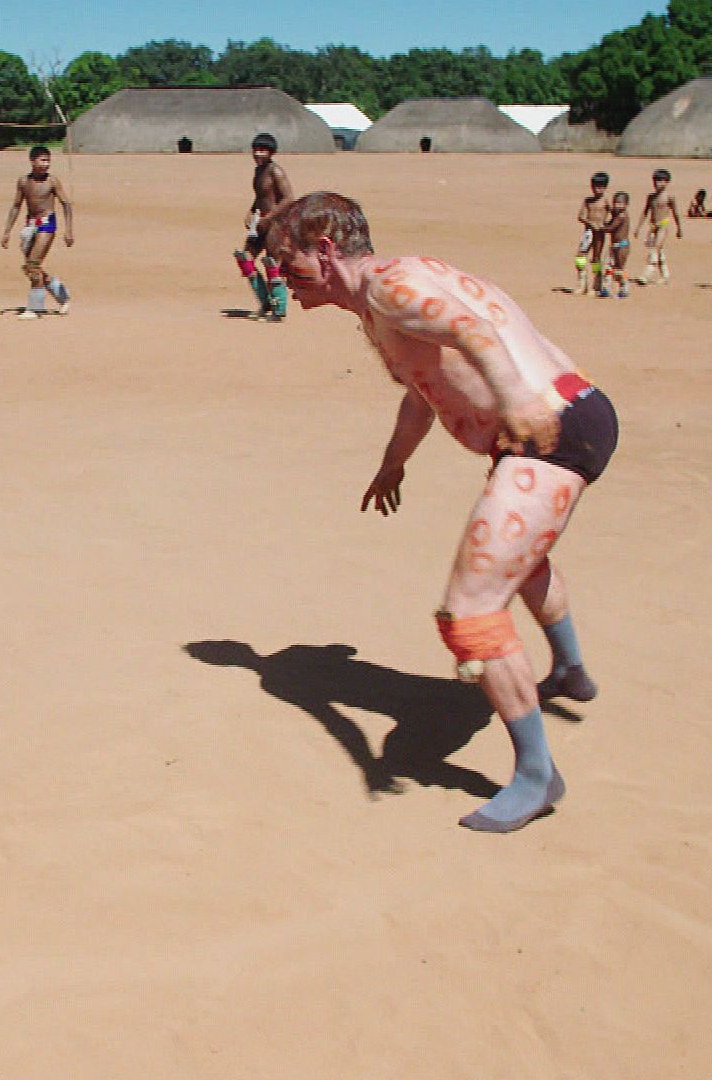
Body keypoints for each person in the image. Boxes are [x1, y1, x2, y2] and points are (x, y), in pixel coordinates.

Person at [260, 192, 619, 833]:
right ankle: (569, 671)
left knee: (470, 612)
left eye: (288, 264)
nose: (283, 278)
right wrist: (393, 463)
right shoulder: (392, 290)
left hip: (550, 430)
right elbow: (423, 393)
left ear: (325, 249)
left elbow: (474, 332)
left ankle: (537, 775)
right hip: (567, 413)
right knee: (517, 561)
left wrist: (517, 403)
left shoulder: (390, 289)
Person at [0, 145, 75, 320]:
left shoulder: (52, 181)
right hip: (30, 225)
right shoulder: (23, 182)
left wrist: (68, 230)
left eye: (48, 160)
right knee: (31, 268)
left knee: (33, 264)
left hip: (47, 225)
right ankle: (62, 295)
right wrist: (7, 231)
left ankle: (35, 308)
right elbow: (16, 206)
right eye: (42, 160)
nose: (46, 164)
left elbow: (66, 204)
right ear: (32, 161)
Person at [239, 132, 295, 321]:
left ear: (271, 152)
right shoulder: (258, 171)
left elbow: (288, 198)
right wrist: (251, 211)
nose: (258, 154)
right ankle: (265, 303)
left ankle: (279, 310)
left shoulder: (275, 171)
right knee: (245, 259)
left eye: (262, 150)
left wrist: (270, 218)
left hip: (276, 225)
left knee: (272, 264)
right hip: (260, 223)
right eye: (255, 150)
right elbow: (261, 197)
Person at [636, 169, 683, 285]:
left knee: (655, 249)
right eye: (656, 181)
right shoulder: (651, 197)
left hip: (663, 225)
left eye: (662, 181)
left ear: (667, 182)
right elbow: (645, 212)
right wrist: (638, 227)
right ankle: (665, 275)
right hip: (653, 226)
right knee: (659, 250)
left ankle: (646, 275)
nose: (658, 184)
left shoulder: (669, 197)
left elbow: (676, 213)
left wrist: (679, 228)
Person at [573, 171, 611, 295]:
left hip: (600, 234)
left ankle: (597, 285)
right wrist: (590, 223)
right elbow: (580, 216)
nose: (597, 190)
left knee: (596, 258)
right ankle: (582, 284)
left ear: (605, 187)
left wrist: (606, 225)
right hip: (588, 233)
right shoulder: (588, 201)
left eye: (600, 187)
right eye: (595, 187)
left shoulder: (606, 202)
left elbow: (614, 215)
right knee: (580, 256)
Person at [601, 191, 632, 298]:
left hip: (622, 246)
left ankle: (624, 288)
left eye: (620, 203)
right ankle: (606, 287)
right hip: (614, 245)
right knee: (608, 266)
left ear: (626, 205)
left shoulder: (622, 216)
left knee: (619, 268)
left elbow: (611, 228)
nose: (617, 205)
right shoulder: (617, 214)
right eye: (615, 203)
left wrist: (601, 227)